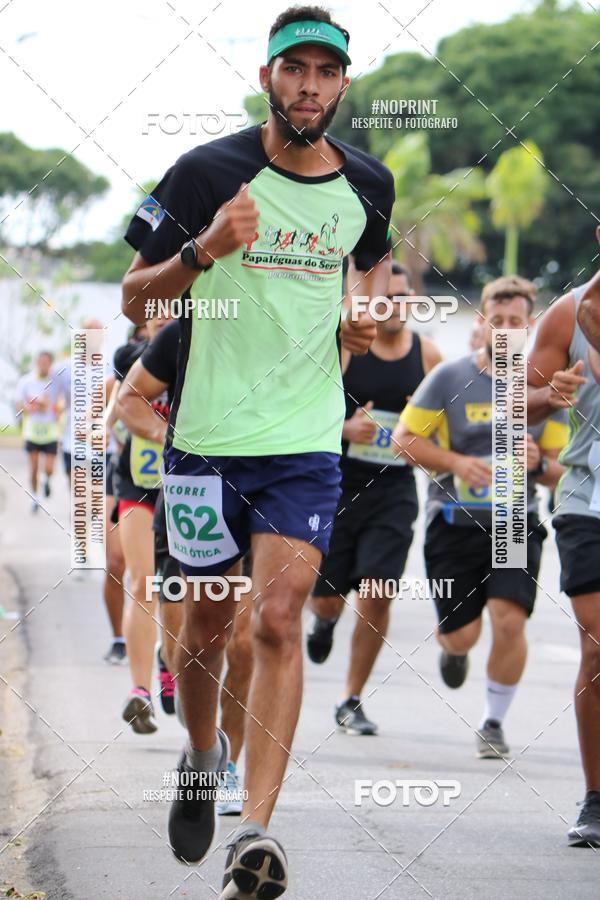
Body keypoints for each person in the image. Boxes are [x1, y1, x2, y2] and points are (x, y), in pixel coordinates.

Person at [121, 6, 392, 896]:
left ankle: (257, 831)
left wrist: (367, 314)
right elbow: (134, 299)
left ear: (343, 83)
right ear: (267, 77)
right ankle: (201, 759)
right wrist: (203, 249)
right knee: (203, 629)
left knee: (275, 621)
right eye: (294, 70)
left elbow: (374, 280)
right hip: (203, 446)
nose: (309, 86)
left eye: (325, 72)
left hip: (304, 447)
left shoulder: (370, 185)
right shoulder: (203, 173)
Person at [394, 275, 567, 759]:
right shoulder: (449, 378)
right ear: (483, 321)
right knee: (462, 634)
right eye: (499, 320)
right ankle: (453, 649)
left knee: (509, 620)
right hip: (453, 519)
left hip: (515, 519)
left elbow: (559, 472)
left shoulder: (544, 388)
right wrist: (456, 464)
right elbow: (404, 440)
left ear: (530, 325)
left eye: (517, 321)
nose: (507, 329)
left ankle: (493, 722)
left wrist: (537, 464)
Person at [117, 320, 253, 814]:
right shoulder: (181, 334)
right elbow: (123, 403)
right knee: (188, 647)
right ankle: (176, 693)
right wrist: (173, 437)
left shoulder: (288, 328)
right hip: (188, 495)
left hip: (262, 495)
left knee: (244, 640)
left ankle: (229, 764)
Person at [306, 262, 441, 735]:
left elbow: (451, 424)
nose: (396, 305)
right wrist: (345, 428)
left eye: (404, 297)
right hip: (335, 485)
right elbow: (296, 410)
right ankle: (322, 623)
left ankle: (351, 697)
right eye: (388, 296)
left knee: (379, 592)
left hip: (394, 490)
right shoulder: (343, 347)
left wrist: (426, 445)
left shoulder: (428, 359)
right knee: (325, 601)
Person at [527, 232, 600, 847]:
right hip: (586, 497)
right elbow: (509, 401)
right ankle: (596, 800)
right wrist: (545, 398)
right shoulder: (568, 314)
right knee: (598, 645)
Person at [111, 315, 170, 734]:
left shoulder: (199, 354)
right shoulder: (129, 357)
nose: (163, 316)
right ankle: (140, 691)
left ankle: (169, 661)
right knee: (142, 582)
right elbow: (116, 412)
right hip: (136, 482)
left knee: (178, 587)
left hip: (186, 486)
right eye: (155, 309)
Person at [15, 350, 61, 512]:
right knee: (33, 468)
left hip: (50, 431)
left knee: (49, 468)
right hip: (33, 431)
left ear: (50, 364)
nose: (43, 365)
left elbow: (62, 401)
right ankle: (36, 497)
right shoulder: (26, 381)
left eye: (46, 363)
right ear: (36, 362)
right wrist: (31, 407)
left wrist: (55, 408)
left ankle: (45, 481)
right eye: (40, 362)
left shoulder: (56, 381)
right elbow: (19, 405)